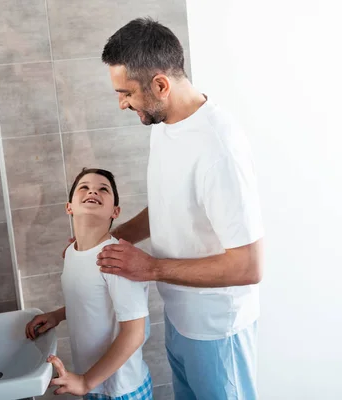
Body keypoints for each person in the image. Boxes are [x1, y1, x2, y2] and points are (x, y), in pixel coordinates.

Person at [94, 18, 265, 400]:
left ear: (160, 85)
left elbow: (249, 265)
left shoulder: (218, 149)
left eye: (125, 93)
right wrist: (108, 239)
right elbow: (170, 206)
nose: (121, 103)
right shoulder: (165, 124)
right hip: (181, 317)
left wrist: (151, 268)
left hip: (219, 331)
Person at [26, 168, 153, 400]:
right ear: (69, 207)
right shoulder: (73, 253)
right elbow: (95, 301)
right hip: (96, 383)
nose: (93, 190)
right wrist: (57, 315)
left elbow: (134, 333)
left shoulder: (116, 258)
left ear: (115, 211)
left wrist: (85, 381)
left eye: (103, 189)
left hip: (120, 389)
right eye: (84, 187)